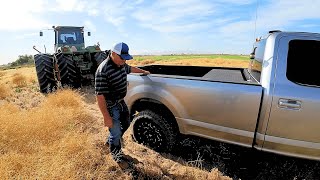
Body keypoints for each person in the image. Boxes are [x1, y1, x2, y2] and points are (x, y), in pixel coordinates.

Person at [95, 42, 150, 168]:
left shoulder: (121, 64)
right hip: (110, 105)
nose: (124, 61)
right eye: (122, 58)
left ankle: (111, 142)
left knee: (126, 122)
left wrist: (144, 71)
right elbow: (100, 96)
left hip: (120, 101)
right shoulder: (103, 70)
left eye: (125, 58)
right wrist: (106, 117)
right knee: (115, 132)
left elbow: (130, 69)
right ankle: (117, 156)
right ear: (113, 54)